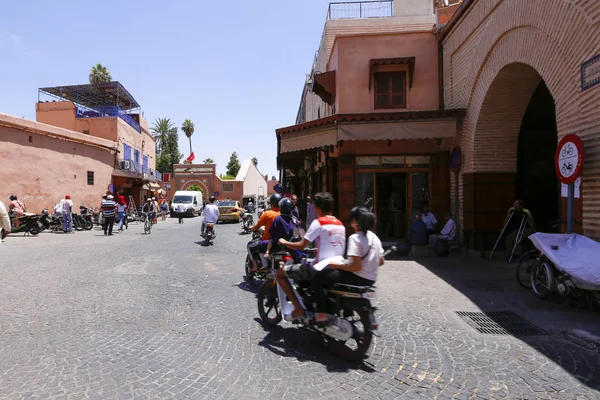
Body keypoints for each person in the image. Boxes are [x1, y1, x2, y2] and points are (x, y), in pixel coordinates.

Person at [276, 192, 346, 320]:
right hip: (339, 266)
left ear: (317, 208)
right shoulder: (340, 223)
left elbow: (301, 245)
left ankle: (298, 309)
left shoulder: (319, 222)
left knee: (280, 274)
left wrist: (285, 242)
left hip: (321, 268)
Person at [311, 207, 384, 324]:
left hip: (357, 278)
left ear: (355, 221)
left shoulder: (355, 238)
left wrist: (338, 266)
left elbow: (356, 267)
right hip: (371, 280)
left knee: (317, 278)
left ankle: (321, 313)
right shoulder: (375, 238)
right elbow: (381, 261)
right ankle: (346, 311)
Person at [247, 194, 282, 272]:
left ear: (271, 203)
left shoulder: (267, 214)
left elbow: (256, 227)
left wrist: (251, 228)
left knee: (250, 245)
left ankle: (256, 266)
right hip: (281, 243)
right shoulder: (285, 214)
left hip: (268, 241)